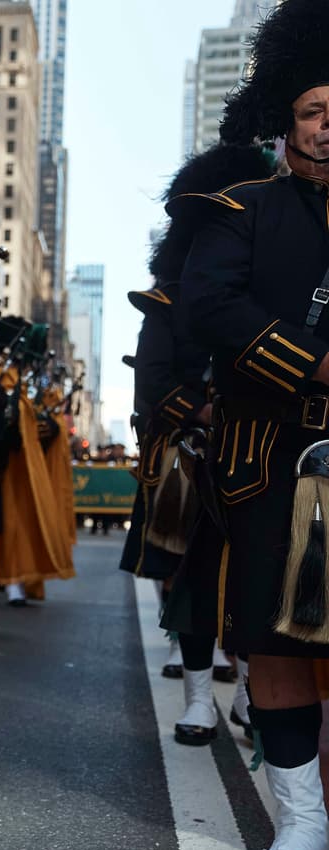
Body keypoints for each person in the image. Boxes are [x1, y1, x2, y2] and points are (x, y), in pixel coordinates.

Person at [181, 0, 329, 845]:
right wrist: (312, 363)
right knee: (275, 644)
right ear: (287, 123)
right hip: (272, 459)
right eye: (313, 112)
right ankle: (301, 821)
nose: (326, 127)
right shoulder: (242, 208)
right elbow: (209, 307)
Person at [131, 143, 274, 746]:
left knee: (258, 583)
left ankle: (247, 694)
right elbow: (156, 383)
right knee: (194, 581)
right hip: (195, 458)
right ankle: (197, 701)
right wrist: (208, 408)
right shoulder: (168, 304)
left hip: (265, 453)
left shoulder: (274, 293)